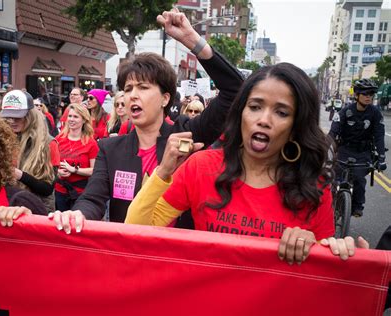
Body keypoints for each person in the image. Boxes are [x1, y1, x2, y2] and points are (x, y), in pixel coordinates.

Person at [124, 62, 341, 265]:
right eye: (255, 107)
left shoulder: (314, 185)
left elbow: (324, 271)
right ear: (240, 113)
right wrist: (163, 171)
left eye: (281, 112)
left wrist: (317, 246)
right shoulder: (201, 167)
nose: (264, 120)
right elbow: (134, 231)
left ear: (297, 125)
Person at [50, 8, 244, 229]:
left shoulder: (188, 134)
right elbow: (93, 200)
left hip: (177, 257)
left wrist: (192, 41)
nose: (132, 94)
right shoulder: (109, 148)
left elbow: (236, 89)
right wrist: (77, 214)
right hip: (128, 256)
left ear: (165, 98)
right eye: (128, 88)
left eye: (143, 87)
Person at [329, 79, 386, 218]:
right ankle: (329, 205)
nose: (369, 96)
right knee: (333, 179)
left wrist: (382, 158)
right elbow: (332, 133)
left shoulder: (375, 113)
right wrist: (326, 150)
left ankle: (357, 206)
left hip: (363, 152)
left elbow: (379, 136)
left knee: (360, 179)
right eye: (365, 93)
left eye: (371, 93)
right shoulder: (345, 111)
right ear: (357, 95)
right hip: (344, 150)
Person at [0, 90, 59, 212]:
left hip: (38, 212)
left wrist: (19, 175)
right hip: (8, 208)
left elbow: (47, 189)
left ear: (29, 115)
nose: (12, 121)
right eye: (8, 117)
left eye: (17, 117)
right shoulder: (4, 138)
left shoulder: (48, 143)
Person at [55, 104, 98, 211]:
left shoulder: (91, 143)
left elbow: (95, 170)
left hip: (80, 193)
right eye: (70, 116)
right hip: (60, 191)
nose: (71, 119)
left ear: (84, 120)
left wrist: (74, 170)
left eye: (76, 117)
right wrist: (58, 172)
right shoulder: (58, 139)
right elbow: (49, 165)